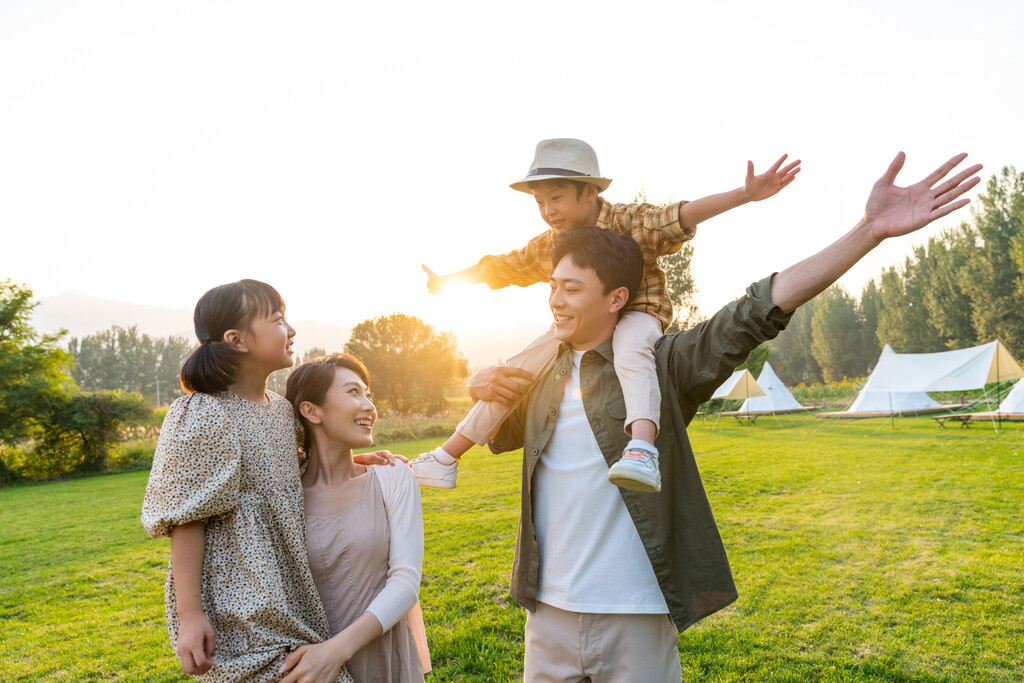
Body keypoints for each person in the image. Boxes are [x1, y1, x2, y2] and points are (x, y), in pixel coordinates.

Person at [478, 152, 981, 680]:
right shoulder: (538, 374)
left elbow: (758, 309)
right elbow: (497, 434)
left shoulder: (664, 365)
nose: (555, 300)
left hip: (636, 612)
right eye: (553, 286)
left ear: (616, 298)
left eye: (572, 288)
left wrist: (868, 231)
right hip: (546, 613)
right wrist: (483, 387)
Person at [414, 138, 800, 493]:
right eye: (541, 203)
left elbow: (677, 217)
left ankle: (643, 449)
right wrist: (450, 281)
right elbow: (504, 266)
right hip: (582, 325)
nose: (549, 211)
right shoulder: (552, 243)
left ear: (590, 192)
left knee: (631, 348)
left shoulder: (628, 222)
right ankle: (447, 457)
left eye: (557, 198)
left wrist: (745, 194)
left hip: (636, 315)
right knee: (516, 368)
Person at [141, 280, 395, 682]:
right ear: (236, 339)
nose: (291, 330)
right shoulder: (204, 412)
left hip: (288, 592)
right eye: (277, 319)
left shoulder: (281, 411)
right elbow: (187, 518)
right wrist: (190, 615)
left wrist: (358, 459)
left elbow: (290, 473)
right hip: (235, 599)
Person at [278, 353, 429, 683]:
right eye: (353, 393)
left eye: (368, 394)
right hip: (311, 671)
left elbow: (405, 585)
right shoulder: (284, 498)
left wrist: (334, 651)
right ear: (311, 410)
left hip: (387, 663)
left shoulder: (393, 477)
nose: (369, 406)